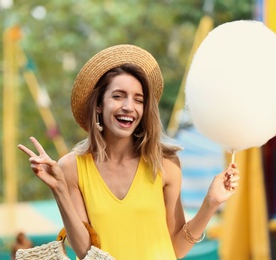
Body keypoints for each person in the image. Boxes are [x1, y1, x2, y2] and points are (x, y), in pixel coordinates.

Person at [18, 44, 240, 259]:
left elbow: (176, 249)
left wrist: (211, 202)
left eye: (138, 99)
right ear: (98, 105)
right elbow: (86, 252)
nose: (128, 106)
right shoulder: (71, 168)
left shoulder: (165, 164)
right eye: (118, 96)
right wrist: (59, 189)